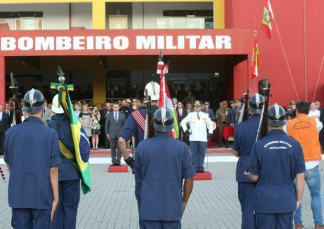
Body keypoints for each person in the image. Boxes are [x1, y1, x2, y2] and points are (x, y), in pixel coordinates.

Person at [4, 89, 60, 228]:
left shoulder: (11, 132)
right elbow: (53, 169)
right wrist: (56, 196)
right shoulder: (50, 133)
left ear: (25, 109)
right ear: (43, 108)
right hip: (41, 192)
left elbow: (9, 165)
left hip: (19, 193)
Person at [245, 104, 306, 229]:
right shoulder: (295, 144)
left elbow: (255, 177)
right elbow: (300, 176)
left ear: (268, 121)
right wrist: (298, 199)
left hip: (265, 200)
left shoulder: (259, 145)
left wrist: (249, 175)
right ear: (284, 121)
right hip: (286, 198)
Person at [134, 108, 195, 228]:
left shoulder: (142, 146)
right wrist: (184, 202)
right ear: (172, 125)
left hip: (149, 207)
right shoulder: (182, 147)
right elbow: (189, 179)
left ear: (154, 126)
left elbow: (139, 175)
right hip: (172, 206)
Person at [118, 82, 160, 229]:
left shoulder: (135, 115)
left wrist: (128, 160)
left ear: (144, 96)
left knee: (144, 208)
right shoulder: (165, 112)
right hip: (163, 166)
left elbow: (122, 140)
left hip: (142, 166)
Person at [284, 101, 324, 229]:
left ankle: (298, 223)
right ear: (308, 111)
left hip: (295, 165)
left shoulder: (288, 124)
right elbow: (320, 126)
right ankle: (318, 224)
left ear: (296, 111)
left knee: (296, 196)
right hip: (312, 162)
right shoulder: (315, 122)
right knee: (316, 195)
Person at [47, 94, 84, 229]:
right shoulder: (75, 125)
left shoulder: (46, 125)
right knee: (70, 209)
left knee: (54, 209)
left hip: (52, 172)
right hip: (72, 172)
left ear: (53, 109)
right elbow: (84, 149)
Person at [232, 93, 264, 229]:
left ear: (249, 108)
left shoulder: (241, 126)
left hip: (245, 168)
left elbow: (236, 152)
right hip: (264, 170)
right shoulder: (268, 125)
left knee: (247, 210)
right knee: (264, 209)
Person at [181, 100, 213, 172]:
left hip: (203, 137)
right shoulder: (190, 115)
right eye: (196, 107)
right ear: (194, 108)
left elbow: (210, 124)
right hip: (193, 137)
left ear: (201, 107)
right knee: (194, 153)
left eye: (198, 107)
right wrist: (186, 131)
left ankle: (201, 167)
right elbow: (183, 122)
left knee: (202, 153)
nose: (197, 108)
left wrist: (210, 132)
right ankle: (195, 167)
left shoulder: (205, 115)